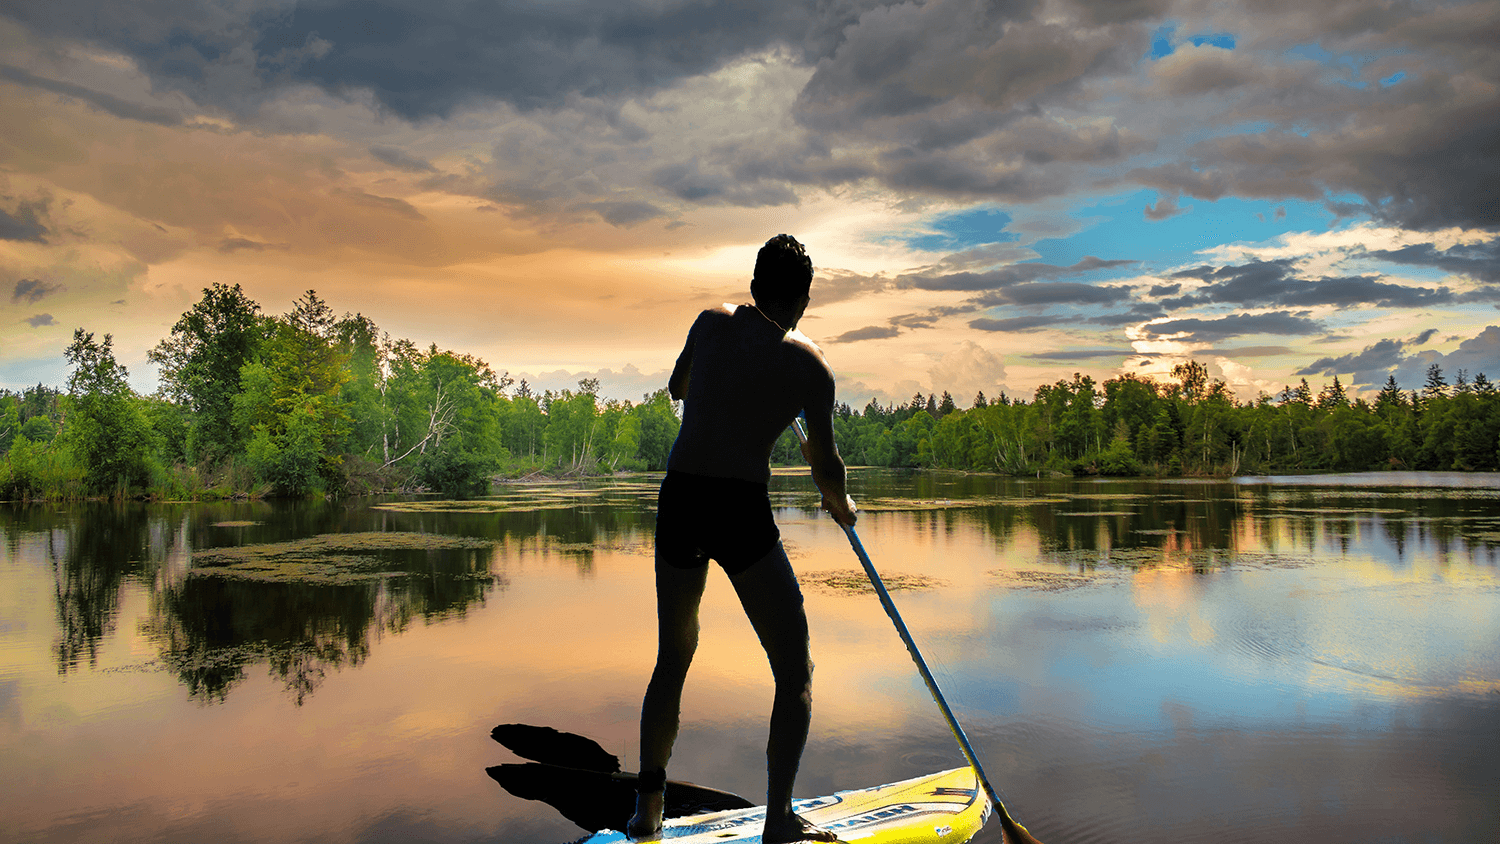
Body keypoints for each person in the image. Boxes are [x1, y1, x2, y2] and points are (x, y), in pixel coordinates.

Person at [627, 234, 857, 843]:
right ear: (804, 300)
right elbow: (828, 473)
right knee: (794, 669)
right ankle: (778, 820)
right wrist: (842, 505)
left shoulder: (707, 322)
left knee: (672, 658)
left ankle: (647, 813)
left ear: (754, 286)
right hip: (738, 508)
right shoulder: (809, 366)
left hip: (681, 497)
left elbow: (679, 387)